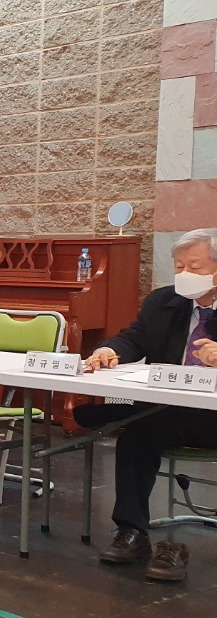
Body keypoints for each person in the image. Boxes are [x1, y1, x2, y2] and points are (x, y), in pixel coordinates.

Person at [78, 227, 217, 581]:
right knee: (137, 435)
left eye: (195, 267)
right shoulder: (162, 302)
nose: (184, 275)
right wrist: (108, 350)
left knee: (132, 417)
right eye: (179, 267)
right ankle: (131, 532)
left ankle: (110, 414)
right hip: (169, 410)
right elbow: (134, 338)